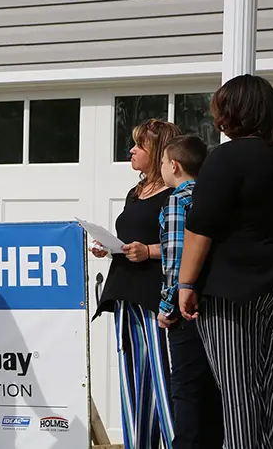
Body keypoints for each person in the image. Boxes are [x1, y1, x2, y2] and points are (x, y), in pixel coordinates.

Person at [177, 74, 273, 449]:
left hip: (234, 288)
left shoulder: (228, 157)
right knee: (264, 385)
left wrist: (185, 284)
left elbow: (201, 226)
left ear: (234, 111)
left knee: (238, 392)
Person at [90, 118, 179, 449]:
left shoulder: (175, 194)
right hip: (126, 293)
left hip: (157, 298)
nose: (132, 150)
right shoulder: (136, 192)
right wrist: (111, 248)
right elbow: (131, 240)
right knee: (132, 381)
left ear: (156, 151)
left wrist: (149, 251)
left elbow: (183, 243)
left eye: (139, 145)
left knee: (162, 380)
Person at [156, 134, 223, 449]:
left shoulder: (178, 200)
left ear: (175, 165)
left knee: (186, 388)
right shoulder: (216, 196)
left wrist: (167, 304)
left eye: (163, 163)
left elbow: (176, 256)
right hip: (217, 305)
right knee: (213, 390)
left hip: (186, 309)